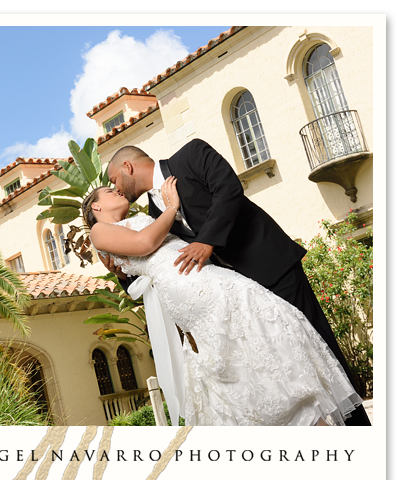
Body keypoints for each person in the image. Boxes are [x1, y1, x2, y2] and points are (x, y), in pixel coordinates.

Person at [102, 139, 371, 426]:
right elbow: (156, 258)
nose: (116, 187)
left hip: (274, 268)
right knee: (285, 372)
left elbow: (228, 189)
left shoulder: (191, 155)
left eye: (113, 179)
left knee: (321, 353)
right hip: (240, 299)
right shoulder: (156, 212)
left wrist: (206, 241)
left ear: (128, 167)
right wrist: (121, 274)